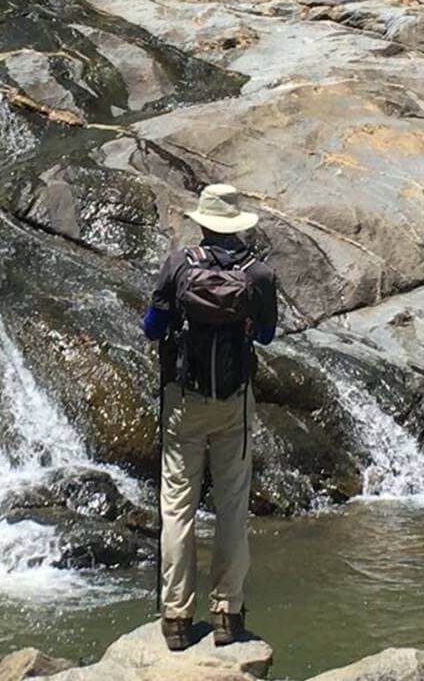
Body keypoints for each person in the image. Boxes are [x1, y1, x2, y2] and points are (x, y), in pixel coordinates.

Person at [142, 184, 277, 650]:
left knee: (177, 507)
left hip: (184, 401)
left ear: (201, 221)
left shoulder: (180, 264)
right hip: (234, 402)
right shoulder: (257, 274)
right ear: (238, 226)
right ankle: (227, 614)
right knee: (232, 508)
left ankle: (176, 618)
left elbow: (151, 327)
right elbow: (267, 336)